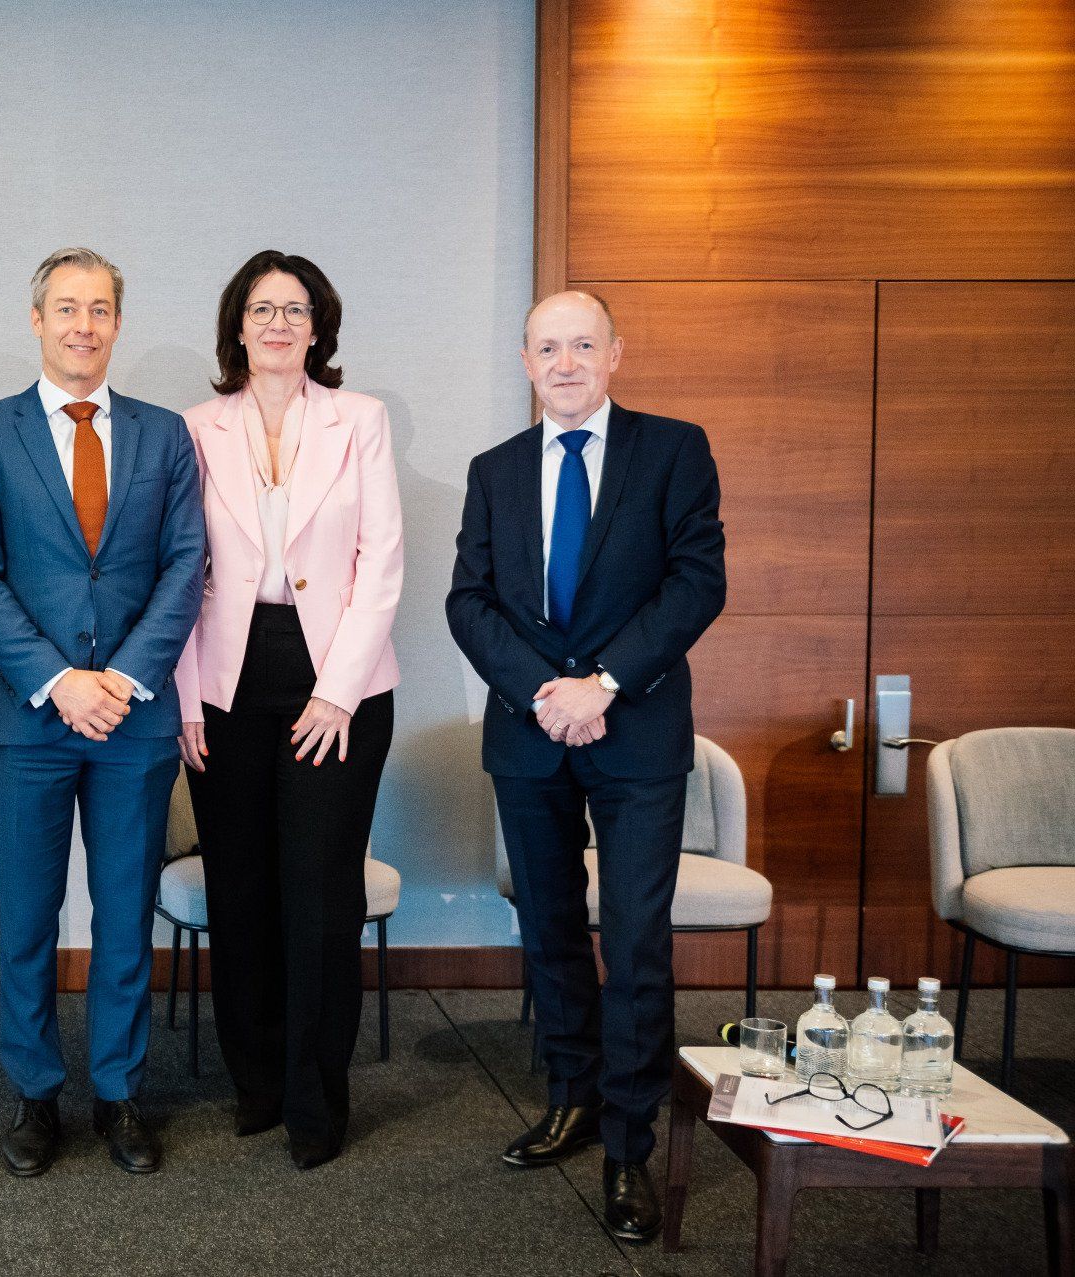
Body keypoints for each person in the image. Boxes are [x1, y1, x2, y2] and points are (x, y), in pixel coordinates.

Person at [445, 290, 725, 1243]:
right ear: (525, 361)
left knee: (637, 940)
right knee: (551, 927)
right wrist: (545, 693)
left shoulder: (673, 450)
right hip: (531, 732)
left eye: (582, 345)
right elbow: (470, 601)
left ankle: (629, 1146)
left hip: (635, 729)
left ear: (615, 354)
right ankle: (572, 1097)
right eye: (546, 347)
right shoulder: (494, 469)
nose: (564, 363)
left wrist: (601, 683)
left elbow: (698, 581)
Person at [0, 247, 204, 1177]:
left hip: (134, 721)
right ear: (37, 320)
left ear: (117, 323)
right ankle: (34, 1092)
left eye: (99, 309)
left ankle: (119, 1091)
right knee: (27, 915)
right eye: (66, 308)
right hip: (29, 720)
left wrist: (123, 678)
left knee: (125, 915)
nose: (83, 325)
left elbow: (186, 563)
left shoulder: (165, 434)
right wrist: (59, 680)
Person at [173, 251, 402, 1168]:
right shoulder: (195, 427)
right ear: (237, 325)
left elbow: (380, 562)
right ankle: (257, 1082)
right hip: (224, 677)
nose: (277, 323)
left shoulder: (360, 419)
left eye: (295, 310)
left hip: (338, 681)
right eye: (262, 308)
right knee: (239, 888)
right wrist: (186, 696)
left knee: (319, 893)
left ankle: (316, 1098)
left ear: (318, 328)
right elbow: (176, 571)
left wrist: (337, 690)